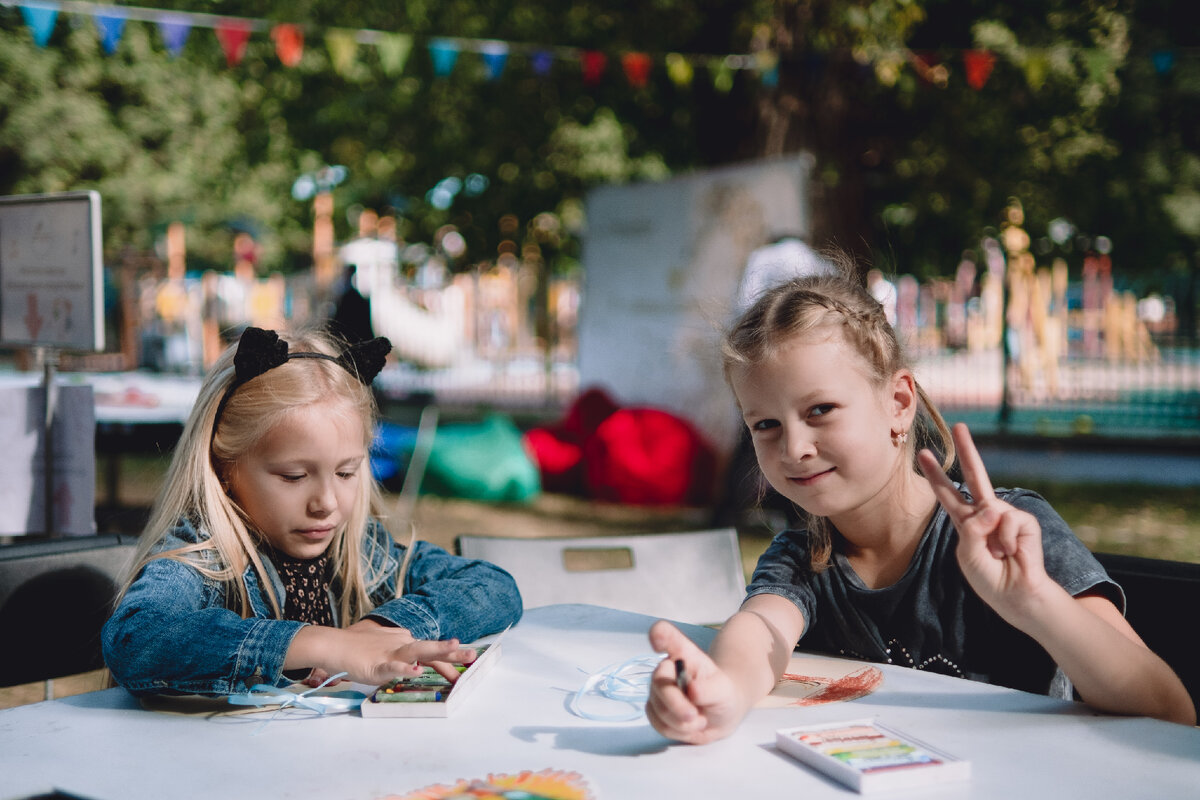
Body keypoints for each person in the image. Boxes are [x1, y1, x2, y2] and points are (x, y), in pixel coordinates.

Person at [647, 266, 1195, 741]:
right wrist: (721, 691)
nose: (794, 447)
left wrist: (1036, 603)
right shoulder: (800, 558)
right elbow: (759, 634)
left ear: (899, 403)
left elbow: (1170, 712)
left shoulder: (1009, 532)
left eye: (820, 410)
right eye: (765, 425)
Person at [102, 326, 522, 696]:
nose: (326, 503)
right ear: (224, 467)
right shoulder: (205, 557)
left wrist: (377, 631)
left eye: (345, 472)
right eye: (293, 476)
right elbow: (136, 639)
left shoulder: (363, 553)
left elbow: (494, 587)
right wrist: (325, 644)